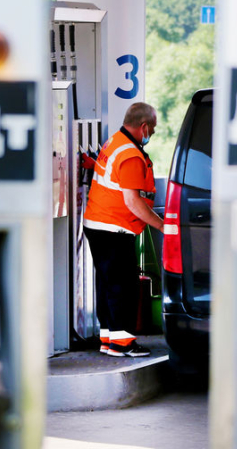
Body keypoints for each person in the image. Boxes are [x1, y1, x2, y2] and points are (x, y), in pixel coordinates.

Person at [83, 102, 164, 357]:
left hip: (98, 224)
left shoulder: (114, 142)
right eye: (152, 128)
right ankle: (123, 344)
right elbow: (133, 201)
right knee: (123, 286)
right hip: (114, 227)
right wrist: (163, 226)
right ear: (143, 127)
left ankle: (108, 340)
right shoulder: (130, 154)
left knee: (108, 283)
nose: (152, 133)